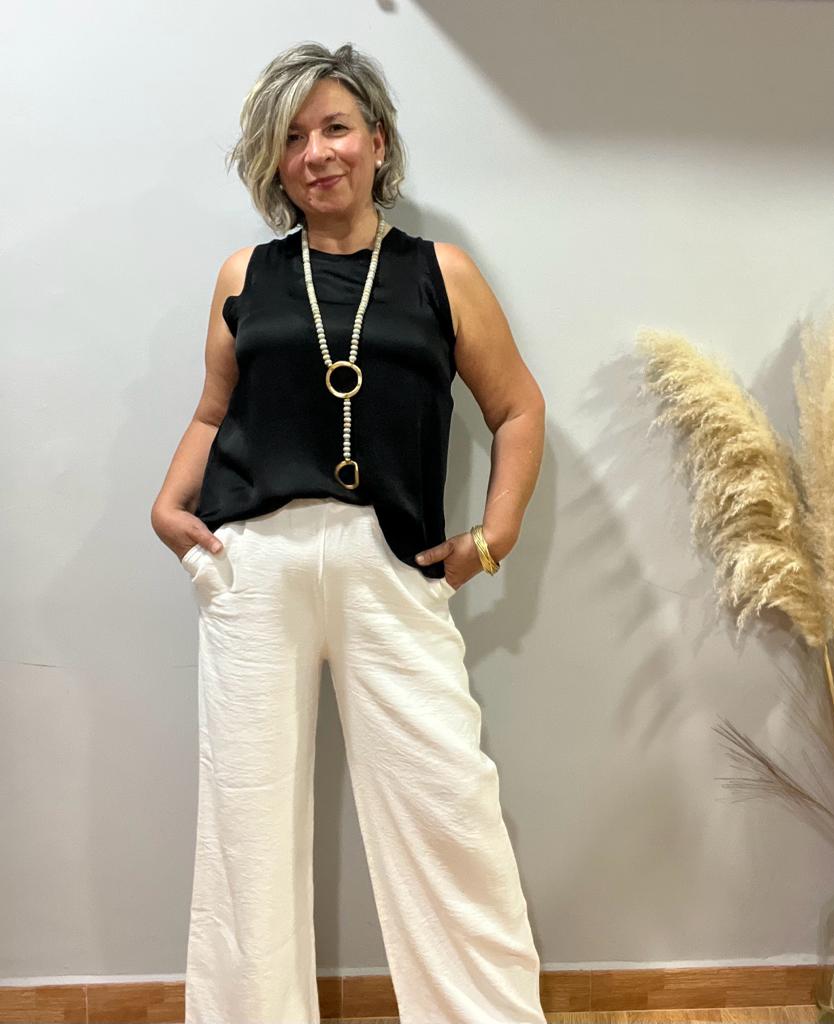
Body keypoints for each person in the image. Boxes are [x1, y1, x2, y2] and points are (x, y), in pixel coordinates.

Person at [150, 40, 547, 1024]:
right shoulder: (246, 274)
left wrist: (490, 539)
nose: (316, 152)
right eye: (293, 137)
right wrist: (169, 508)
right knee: (246, 825)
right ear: (274, 162)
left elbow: (517, 408)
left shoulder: (439, 272)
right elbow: (212, 410)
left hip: (390, 563)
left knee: (447, 808)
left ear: (377, 140)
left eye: (334, 127)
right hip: (255, 565)